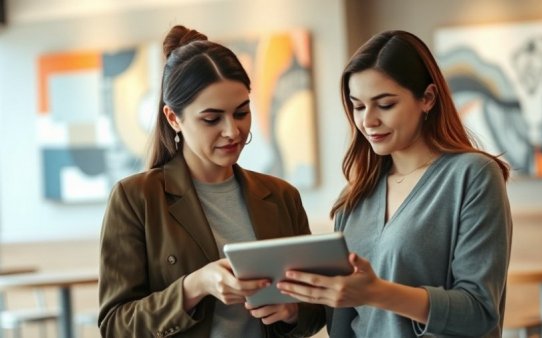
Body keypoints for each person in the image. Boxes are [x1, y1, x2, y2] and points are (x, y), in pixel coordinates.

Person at [277, 30, 513, 337]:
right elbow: (343, 323)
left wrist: (376, 292)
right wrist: (294, 310)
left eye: (385, 104)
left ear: (427, 98)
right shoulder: (355, 196)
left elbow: (479, 311)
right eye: (358, 106)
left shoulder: (472, 175)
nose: (368, 121)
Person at [98, 25, 324, 338]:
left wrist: (292, 311)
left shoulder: (282, 196)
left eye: (242, 112)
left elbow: (315, 310)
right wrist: (195, 286)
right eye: (211, 118)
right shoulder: (136, 198)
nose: (232, 131)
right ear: (174, 118)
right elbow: (115, 326)